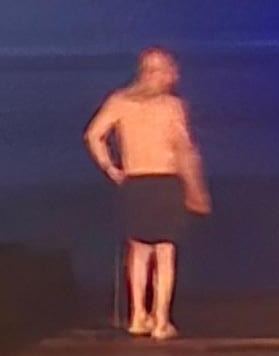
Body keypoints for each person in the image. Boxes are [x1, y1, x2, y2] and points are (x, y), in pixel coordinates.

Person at [85, 47, 209, 337]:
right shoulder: (171, 106)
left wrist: (111, 168)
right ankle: (160, 320)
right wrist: (195, 188)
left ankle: (139, 316)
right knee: (164, 253)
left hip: (137, 181)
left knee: (139, 251)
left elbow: (93, 135)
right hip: (164, 181)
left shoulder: (121, 101)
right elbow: (183, 149)